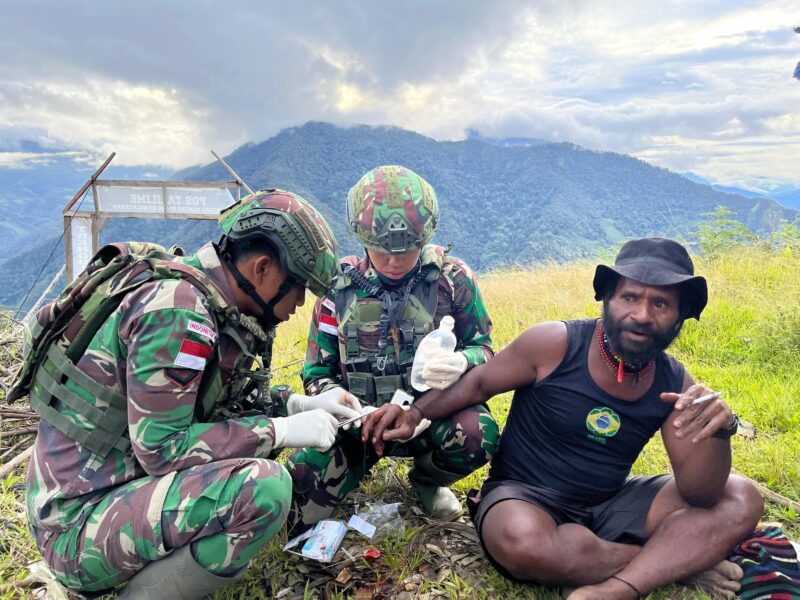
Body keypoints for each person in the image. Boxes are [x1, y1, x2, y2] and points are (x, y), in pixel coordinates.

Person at [363, 238, 763, 599]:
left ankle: (620, 585)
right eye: (630, 297)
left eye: (660, 304)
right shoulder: (555, 344)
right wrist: (414, 411)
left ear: (679, 316)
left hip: (609, 505)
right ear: (608, 298)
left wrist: (720, 430)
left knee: (742, 496)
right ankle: (674, 565)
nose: (641, 314)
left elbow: (701, 494)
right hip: (524, 497)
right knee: (523, 543)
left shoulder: (674, 382)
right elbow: (479, 382)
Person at [18, 190, 364, 599]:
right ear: (263, 268)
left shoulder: (205, 298)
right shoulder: (178, 313)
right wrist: (282, 430)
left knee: (254, 451)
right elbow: (161, 448)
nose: (300, 302)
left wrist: (299, 404)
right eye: (298, 287)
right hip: (77, 527)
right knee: (263, 487)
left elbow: (213, 403)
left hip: (101, 497)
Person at [287, 165, 499, 532]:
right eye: (383, 252)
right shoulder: (338, 290)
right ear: (361, 237)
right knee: (293, 507)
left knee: (479, 435)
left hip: (431, 417)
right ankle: (351, 469)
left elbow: (486, 351)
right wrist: (337, 397)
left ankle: (428, 479)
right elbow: (316, 373)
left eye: (408, 251)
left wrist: (463, 360)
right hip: (359, 428)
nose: (396, 262)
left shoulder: (452, 279)